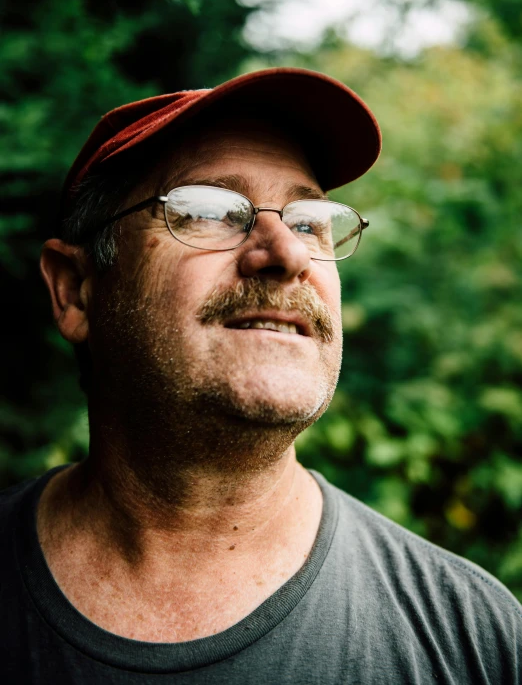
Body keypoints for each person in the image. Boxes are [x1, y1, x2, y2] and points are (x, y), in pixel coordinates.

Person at [1, 68, 520, 684]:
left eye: (308, 221)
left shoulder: (479, 641)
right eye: (209, 210)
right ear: (77, 293)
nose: (289, 254)